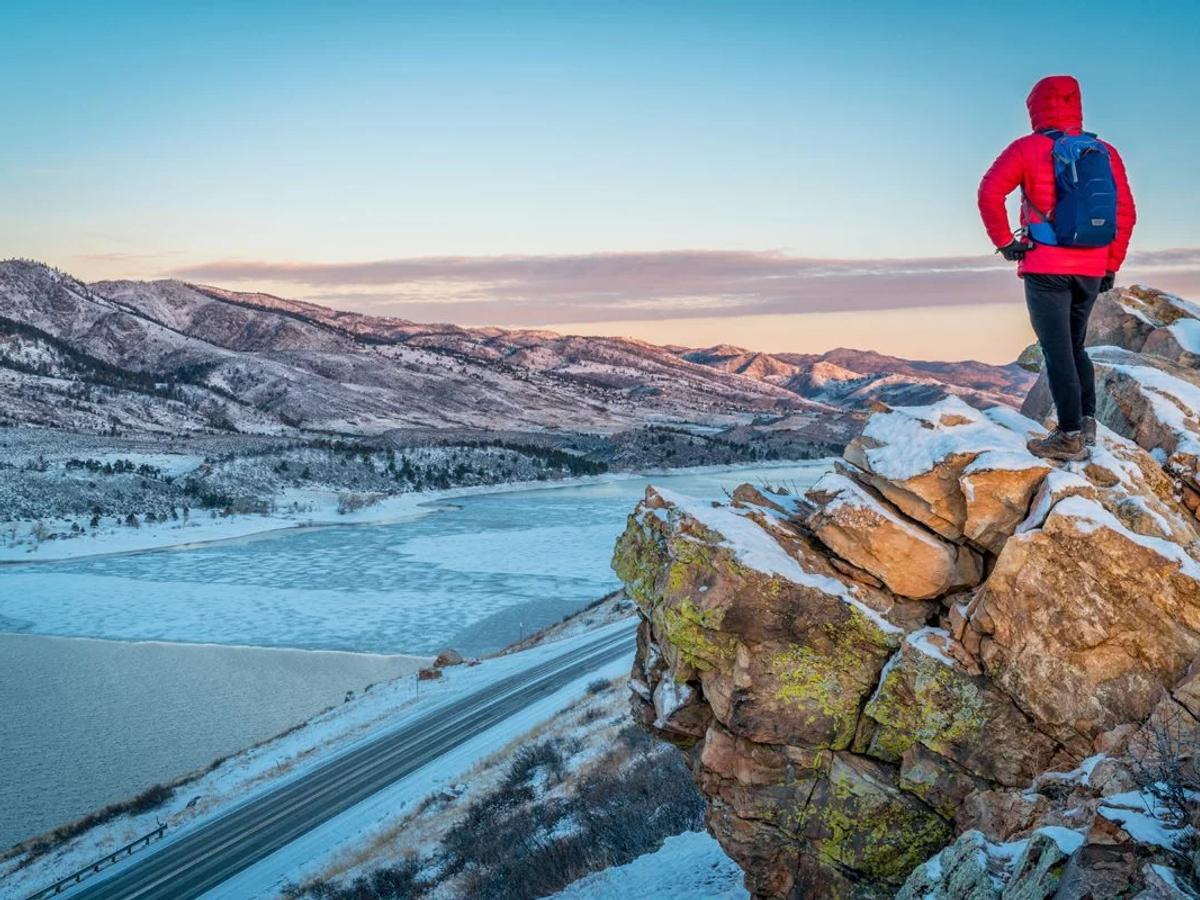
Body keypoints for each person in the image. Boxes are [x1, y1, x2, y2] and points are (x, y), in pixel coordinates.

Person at [978, 75, 1136, 461]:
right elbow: (1126, 214)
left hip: (1046, 268)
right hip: (1092, 268)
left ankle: (1068, 436)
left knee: (1057, 350)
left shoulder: (1027, 148)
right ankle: (1087, 425)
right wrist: (1110, 265)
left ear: (1036, 109)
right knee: (1076, 346)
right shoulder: (1105, 152)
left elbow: (989, 193)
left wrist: (1005, 243)